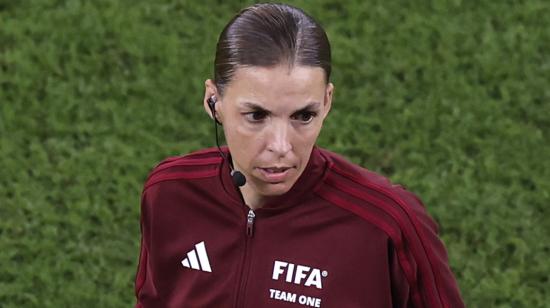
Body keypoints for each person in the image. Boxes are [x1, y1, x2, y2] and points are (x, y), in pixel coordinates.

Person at [134, 3, 464, 307]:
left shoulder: (388, 224)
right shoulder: (170, 193)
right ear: (213, 101)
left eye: (303, 116)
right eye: (257, 116)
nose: (281, 146)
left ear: (327, 102)